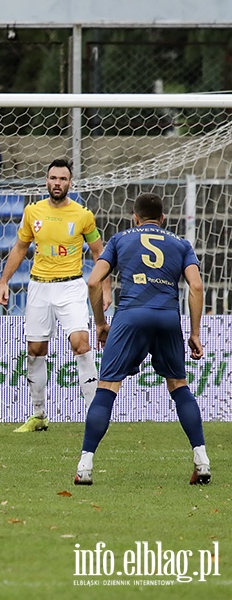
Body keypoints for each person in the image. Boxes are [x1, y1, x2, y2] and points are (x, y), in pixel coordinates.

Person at [75, 193, 210, 486]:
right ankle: (202, 460)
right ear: (163, 219)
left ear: (134, 218)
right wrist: (195, 332)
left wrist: (100, 323)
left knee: (107, 387)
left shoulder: (120, 240)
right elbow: (196, 286)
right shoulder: (181, 244)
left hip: (131, 316)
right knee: (179, 386)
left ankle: (85, 466)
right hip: (166, 317)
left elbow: (94, 281)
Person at [0, 158, 109, 432]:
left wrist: (105, 288)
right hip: (39, 286)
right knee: (35, 349)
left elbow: (98, 252)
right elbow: (20, 247)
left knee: (81, 343)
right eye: (53, 178)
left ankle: (95, 415)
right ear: (46, 181)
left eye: (62, 179)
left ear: (70, 183)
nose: (57, 183)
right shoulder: (32, 211)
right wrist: (4, 281)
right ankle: (39, 415)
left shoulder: (83, 215)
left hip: (71, 286)